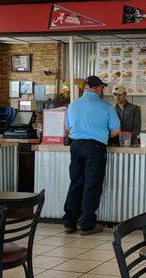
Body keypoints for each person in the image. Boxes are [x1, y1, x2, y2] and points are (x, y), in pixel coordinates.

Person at [62, 76, 120, 235]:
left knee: (76, 183)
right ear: (98, 88)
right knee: (91, 185)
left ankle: (69, 221)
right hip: (95, 147)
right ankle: (87, 224)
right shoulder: (106, 106)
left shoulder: (72, 106)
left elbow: (67, 129)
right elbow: (116, 130)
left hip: (76, 146)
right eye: (102, 88)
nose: (103, 91)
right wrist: (101, 134)